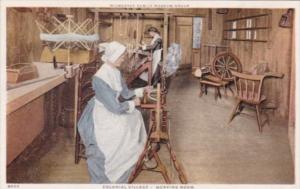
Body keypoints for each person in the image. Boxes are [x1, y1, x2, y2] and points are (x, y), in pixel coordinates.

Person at [77, 41, 148, 184]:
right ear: (113, 56)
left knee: (136, 116)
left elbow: (124, 92)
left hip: (111, 107)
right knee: (123, 130)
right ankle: (117, 169)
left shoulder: (115, 70)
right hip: (101, 114)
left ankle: (130, 162)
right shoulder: (100, 77)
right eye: (121, 56)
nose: (123, 59)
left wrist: (141, 91)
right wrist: (132, 103)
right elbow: (114, 107)